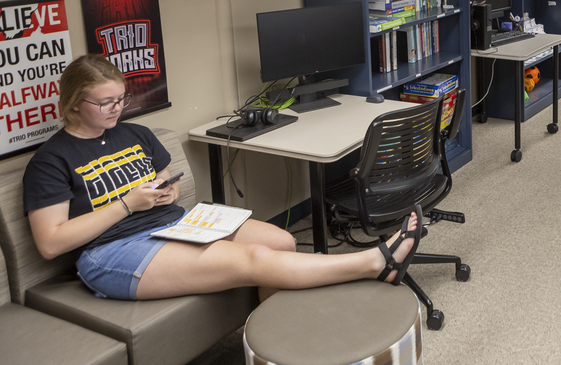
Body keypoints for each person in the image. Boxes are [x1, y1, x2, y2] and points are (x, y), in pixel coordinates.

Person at [23, 54, 420, 302]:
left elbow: (167, 180)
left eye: (121, 99)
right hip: (113, 250)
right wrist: (126, 204)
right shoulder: (51, 159)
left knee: (281, 239)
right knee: (256, 257)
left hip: (172, 223)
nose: (117, 108)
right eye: (106, 102)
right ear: (74, 103)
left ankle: (272, 345)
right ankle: (374, 262)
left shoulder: (135, 133)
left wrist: (166, 192)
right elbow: (51, 242)